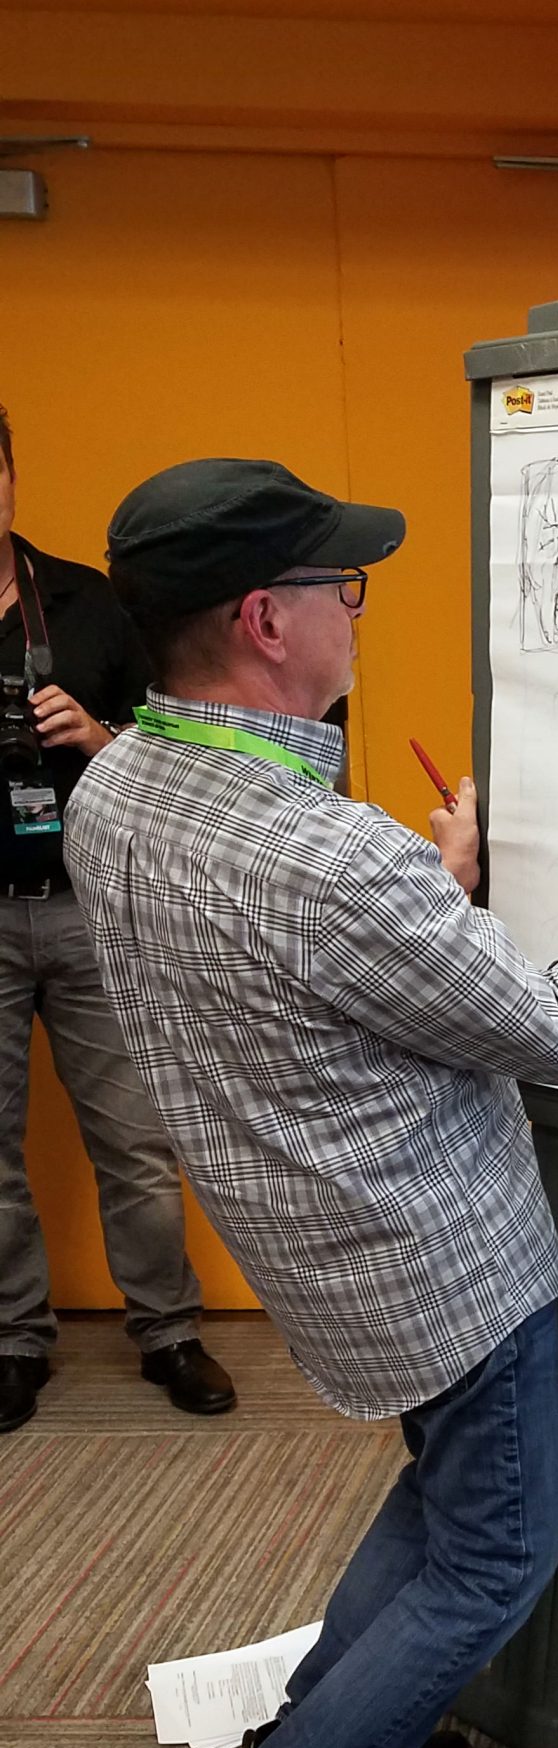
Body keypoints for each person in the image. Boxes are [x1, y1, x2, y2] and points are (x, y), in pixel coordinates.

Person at [66, 457, 558, 1748]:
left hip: (321, 1249)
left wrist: (429, 895)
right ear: (263, 620)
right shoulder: (325, 856)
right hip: (441, 1260)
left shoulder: (115, 791)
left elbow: (290, 986)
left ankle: (340, 1721)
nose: (357, 613)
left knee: (445, 1502)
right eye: (340, 587)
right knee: (496, 1556)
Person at [0, 403, 234, 1429]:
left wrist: (96, 734)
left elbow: (176, 746)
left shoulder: (86, 604)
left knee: (136, 1139)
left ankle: (169, 1331)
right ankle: (13, 1340)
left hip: (88, 908)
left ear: (12, 475)